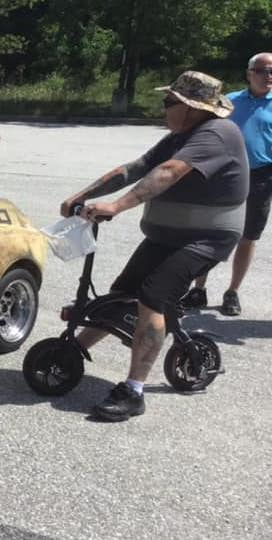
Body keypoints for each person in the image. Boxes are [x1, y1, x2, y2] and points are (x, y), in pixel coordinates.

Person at [60, 71, 248, 422]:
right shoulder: (180, 135)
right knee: (122, 292)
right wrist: (82, 196)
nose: (164, 107)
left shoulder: (217, 134)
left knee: (152, 296)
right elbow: (136, 168)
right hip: (167, 236)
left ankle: (133, 391)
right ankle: (74, 350)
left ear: (192, 108)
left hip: (205, 239)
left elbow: (168, 172)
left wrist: (117, 206)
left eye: (169, 102)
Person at [181, 52, 272, 316]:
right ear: (249, 73)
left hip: (261, 177)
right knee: (208, 230)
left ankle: (232, 292)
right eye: (263, 70)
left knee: (248, 236)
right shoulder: (228, 102)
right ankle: (198, 289)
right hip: (222, 174)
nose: (268, 76)